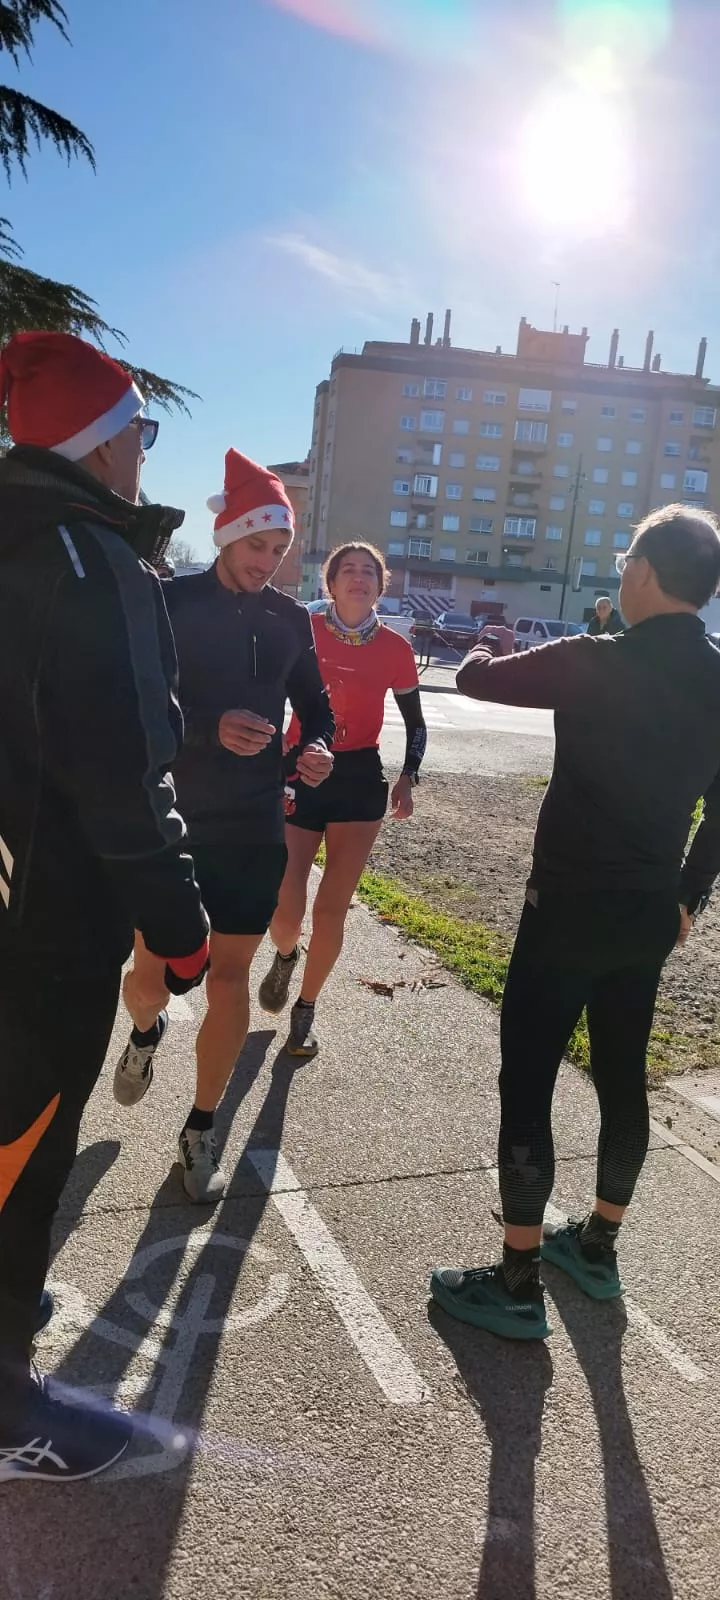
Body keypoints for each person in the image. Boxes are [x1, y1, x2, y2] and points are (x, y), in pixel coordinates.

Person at [431, 504, 720, 1340]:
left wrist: (482, 643)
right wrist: (686, 899)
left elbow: (480, 677)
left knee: (527, 1079)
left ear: (640, 575)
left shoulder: (596, 657)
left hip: (564, 909)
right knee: (622, 1076)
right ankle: (597, 1244)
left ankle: (517, 1280)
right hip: (647, 914)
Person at [0, 331, 210, 1480]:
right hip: (44, 933)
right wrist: (178, 934)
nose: (142, 455)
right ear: (103, 444)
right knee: (21, 1160)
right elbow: (126, 778)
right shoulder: (91, 559)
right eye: (138, 432)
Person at [114, 449, 334, 1202]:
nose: (267, 563)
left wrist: (313, 748)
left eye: (278, 550)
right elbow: (135, 710)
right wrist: (209, 729)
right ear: (226, 536)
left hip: (252, 825)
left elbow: (317, 707)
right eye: (255, 546)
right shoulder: (170, 603)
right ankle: (145, 1033)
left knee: (230, 976)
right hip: (171, 819)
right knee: (150, 977)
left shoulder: (289, 619)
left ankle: (202, 1125)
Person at [258, 542, 427, 1057]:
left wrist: (408, 777)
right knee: (286, 903)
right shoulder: (302, 631)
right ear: (329, 583)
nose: (358, 577)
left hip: (358, 777)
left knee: (332, 909)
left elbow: (416, 725)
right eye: (347, 570)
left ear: (381, 585)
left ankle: (306, 1009)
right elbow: (264, 694)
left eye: (368, 571)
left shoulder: (396, 648)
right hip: (299, 767)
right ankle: (286, 954)